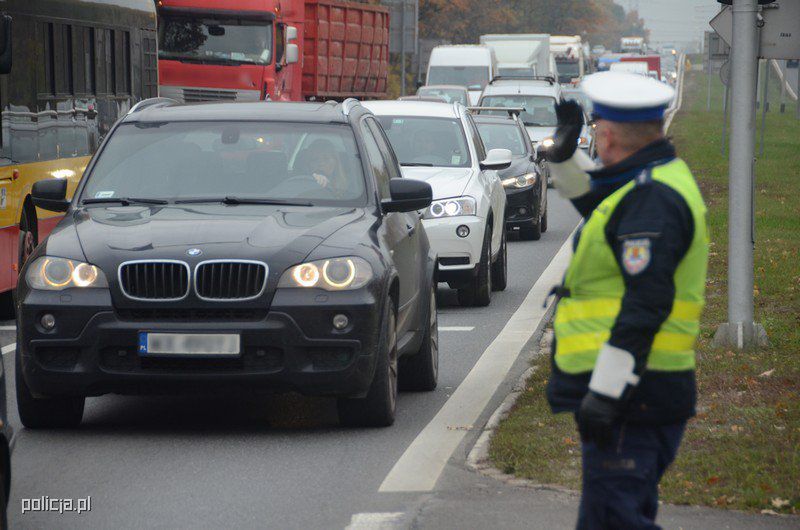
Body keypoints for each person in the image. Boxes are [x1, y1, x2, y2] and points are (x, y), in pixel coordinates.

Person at [543, 71, 709, 529]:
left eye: (595, 130)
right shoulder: (648, 180)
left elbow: (647, 300)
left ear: (609, 134)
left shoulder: (653, 198)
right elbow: (598, 203)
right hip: (641, 390)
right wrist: (562, 156)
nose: (594, 136)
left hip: (635, 394)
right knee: (615, 516)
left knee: (613, 521)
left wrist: (608, 389)